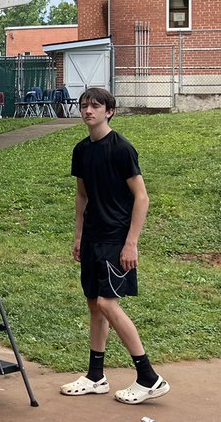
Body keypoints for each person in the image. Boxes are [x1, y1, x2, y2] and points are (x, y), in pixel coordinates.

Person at [60, 86, 170, 405]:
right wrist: (79, 236)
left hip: (116, 238)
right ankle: (96, 376)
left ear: (109, 111)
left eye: (95, 106)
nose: (88, 110)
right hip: (93, 236)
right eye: (84, 105)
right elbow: (82, 195)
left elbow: (142, 197)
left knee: (109, 304)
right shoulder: (81, 150)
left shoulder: (122, 148)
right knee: (94, 303)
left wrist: (131, 243)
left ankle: (149, 377)